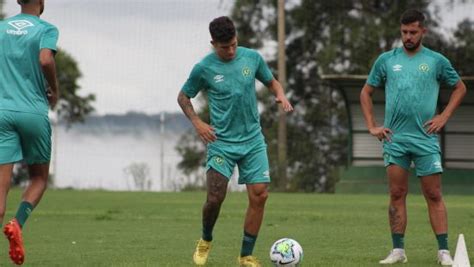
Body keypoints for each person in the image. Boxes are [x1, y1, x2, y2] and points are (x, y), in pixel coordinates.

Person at [177, 16, 293, 267]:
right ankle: (206, 239)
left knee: (260, 196)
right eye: (223, 47)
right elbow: (184, 97)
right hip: (222, 142)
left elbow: (272, 82)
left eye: (233, 44)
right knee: (215, 198)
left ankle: (245, 255)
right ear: (213, 44)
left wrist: (281, 95)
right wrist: (198, 124)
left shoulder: (252, 58)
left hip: (252, 140)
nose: (230, 51)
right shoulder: (203, 68)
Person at [360, 9, 466, 266]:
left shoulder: (436, 60)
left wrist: (443, 117)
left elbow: (460, 87)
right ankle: (398, 251)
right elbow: (366, 92)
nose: (408, 37)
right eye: (404, 32)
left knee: (433, 194)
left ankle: (443, 252)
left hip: (425, 139)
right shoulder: (386, 60)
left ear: (423, 32)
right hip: (395, 139)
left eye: (413, 32)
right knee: (397, 193)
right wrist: (372, 126)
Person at [0, 0, 59, 265]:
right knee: (38, 178)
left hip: (2, 112)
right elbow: (45, 59)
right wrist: (54, 90)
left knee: (1, 189)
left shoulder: (1, 28)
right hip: (33, 112)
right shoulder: (46, 29)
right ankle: (17, 222)